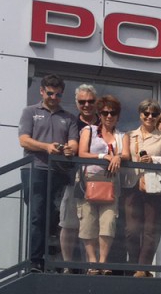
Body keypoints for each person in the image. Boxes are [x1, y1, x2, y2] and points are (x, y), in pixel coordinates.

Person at [17, 74, 79, 271]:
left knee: (57, 217)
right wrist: (46, 147)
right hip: (35, 169)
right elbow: (23, 140)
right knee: (37, 214)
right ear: (42, 91)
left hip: (60, 172)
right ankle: (35, 260)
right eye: (50, 93)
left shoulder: (68, 117)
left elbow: (74, 144)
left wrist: (68, 149)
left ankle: (53, 257)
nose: (54, 97)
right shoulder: (30, 112)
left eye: (58, 94)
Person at [77, 94, 129, 274]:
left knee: (108, 223)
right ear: (99, 114)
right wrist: (102, 156)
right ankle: (92, 262)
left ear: (117, 115)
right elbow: (81, 153)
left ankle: (103, 261)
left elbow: (127, 155)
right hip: (88, 181)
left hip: (111, 183)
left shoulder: (122, 136)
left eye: (112, 113)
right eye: (105, 112)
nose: (109, 116)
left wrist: (117, 156)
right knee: (88, 222)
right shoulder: (88, 131)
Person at [123, 99, 161, 276]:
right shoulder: (129, 135)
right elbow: (125, 156)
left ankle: (143, 268)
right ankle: (135, 266)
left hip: (154, 186)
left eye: (154, 114)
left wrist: (154, 160)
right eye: (146, 113)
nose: (149, 117)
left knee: (151, 230)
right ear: (140, 114)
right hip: (132, 185)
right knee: (131, 230)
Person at [58, 83, 99, 271]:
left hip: (100, 182)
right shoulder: (71, 123)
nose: (87, 105)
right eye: (82, 101)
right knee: (69, 224)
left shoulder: (105, 123)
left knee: (95, 227)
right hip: (75, 181)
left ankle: (93, 266)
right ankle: (68, 265)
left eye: (90, 101)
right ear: (76, 103)